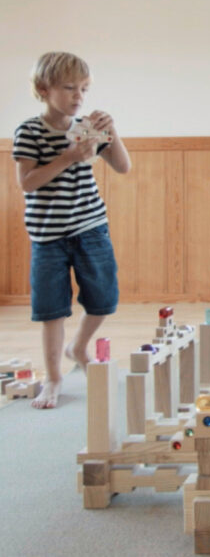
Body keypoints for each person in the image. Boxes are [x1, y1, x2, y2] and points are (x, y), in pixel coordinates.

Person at [13, 51, 131, 409]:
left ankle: (78, 346)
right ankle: (53, 377)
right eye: (69, 88)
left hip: (91, 227)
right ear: (43, 89)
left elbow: (123, 167)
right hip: (47, 236)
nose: (79, 96)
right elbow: (28, 183)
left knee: (104, 299)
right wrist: (69, 157)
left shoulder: (89, 127)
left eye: (84, 89)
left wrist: (112, 133)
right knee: (51, 310)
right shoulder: (29, 131)